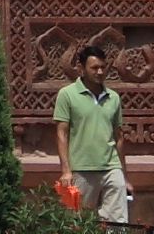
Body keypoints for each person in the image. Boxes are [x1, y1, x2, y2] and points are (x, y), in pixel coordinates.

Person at [55, 37, 129, 227]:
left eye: (103, 67)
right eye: (94, 68)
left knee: (118, 223)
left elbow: (119, 137)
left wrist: (124, 175)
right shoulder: (67, 95)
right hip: (82, 168)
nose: (100, 72)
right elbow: (62, 134)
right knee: (79, 222)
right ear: (81, 68)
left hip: (111, 167)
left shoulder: (113, 97)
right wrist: (66, 170)